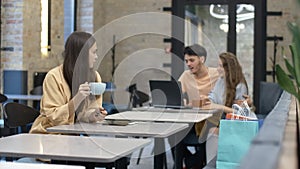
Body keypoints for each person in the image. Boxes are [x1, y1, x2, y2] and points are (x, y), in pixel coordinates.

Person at [30, 31, 107, 134]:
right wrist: (78, 98)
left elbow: (87, 112)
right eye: (93, 52)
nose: (96, 57)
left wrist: (93, 115)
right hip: (49, 135)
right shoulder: (54, 77)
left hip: (73, 136)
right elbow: (54, 118)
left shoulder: (95, 76)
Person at [171, 44, 219, 169]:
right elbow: (176, 94)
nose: (188, 64)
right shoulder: (186, 75)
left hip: (210, 120)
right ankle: (189, 162)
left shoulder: (216, 74)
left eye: (192, 60)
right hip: (191, 119)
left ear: (202, 59)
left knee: (207, 133)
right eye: (186, 61)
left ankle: (193, 163)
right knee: (171, 132)